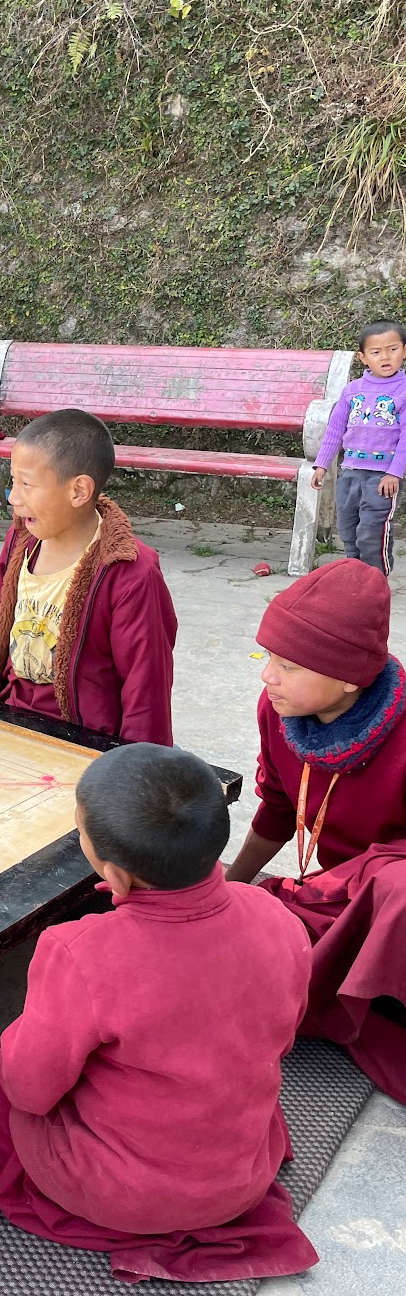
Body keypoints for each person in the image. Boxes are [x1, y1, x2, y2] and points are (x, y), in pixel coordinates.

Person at [0, 743, 316, 1284]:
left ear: (114, 872)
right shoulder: (275, 915)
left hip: (126, 1196)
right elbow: (278, 1032)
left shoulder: (79, 949)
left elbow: (28, 1092)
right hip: (239, 1174)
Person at [227, 557, 406, 1103]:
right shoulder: (276, 710)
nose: (267, 676)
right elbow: (278, 809)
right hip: (328, 897)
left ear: (350, 677)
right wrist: (231, 887)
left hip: (388, 905)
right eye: (268, 656)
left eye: (289, 665)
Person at [0, 409, 177, 745]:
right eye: (13, 481)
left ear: (78, 491)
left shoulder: (129, 572)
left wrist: (137, 779)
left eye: (26, 484)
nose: (13, 497)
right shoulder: (20, 542)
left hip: (85, 742)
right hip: (11, 719)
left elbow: (145, 686)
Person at [311, 320, 406, 575]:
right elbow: (334, 430)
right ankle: (355, 575)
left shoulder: (404, 390)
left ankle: (375, 580)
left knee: (371, 533)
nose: (385, 356)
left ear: (404, 351)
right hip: (350, 473)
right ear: (364, 357)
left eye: (393, 349)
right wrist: (321, 464)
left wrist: (394, 473)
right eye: (376, 352)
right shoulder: (352, 391)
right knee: (348, 529)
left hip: (382, 478)